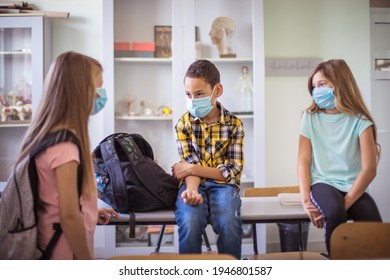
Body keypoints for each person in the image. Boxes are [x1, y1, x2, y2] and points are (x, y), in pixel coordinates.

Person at [13, 51, 118, 259]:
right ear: (79, 91)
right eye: (97, 89)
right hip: (63, 251)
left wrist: (89, 214)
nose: (100, 96)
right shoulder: (65, 148)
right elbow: (69, 217)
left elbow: (55, 200)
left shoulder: (52, 136)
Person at [297, 59, 382, 257]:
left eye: (322, 84)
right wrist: (305, 200)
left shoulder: (361, 121)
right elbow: (303, 161)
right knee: (334, 211)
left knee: (374, 225)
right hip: (323, 183)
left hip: (353, 186)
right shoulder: (309, 117)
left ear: (340, 84)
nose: (317, 90)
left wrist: (347, 203)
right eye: (314, 86)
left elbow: (369, 169)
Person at [171, 59, 245, 259]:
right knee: (189, 221)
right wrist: (192, 191)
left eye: (200, 94)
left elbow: (232, 171)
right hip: (192, 185)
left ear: (217, 90)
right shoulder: (183, 124)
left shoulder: (234, 125)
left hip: (225, 187)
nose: (193, 100)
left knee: (229, 222)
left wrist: (191, 169)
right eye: (188, 94)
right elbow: (190, 166)